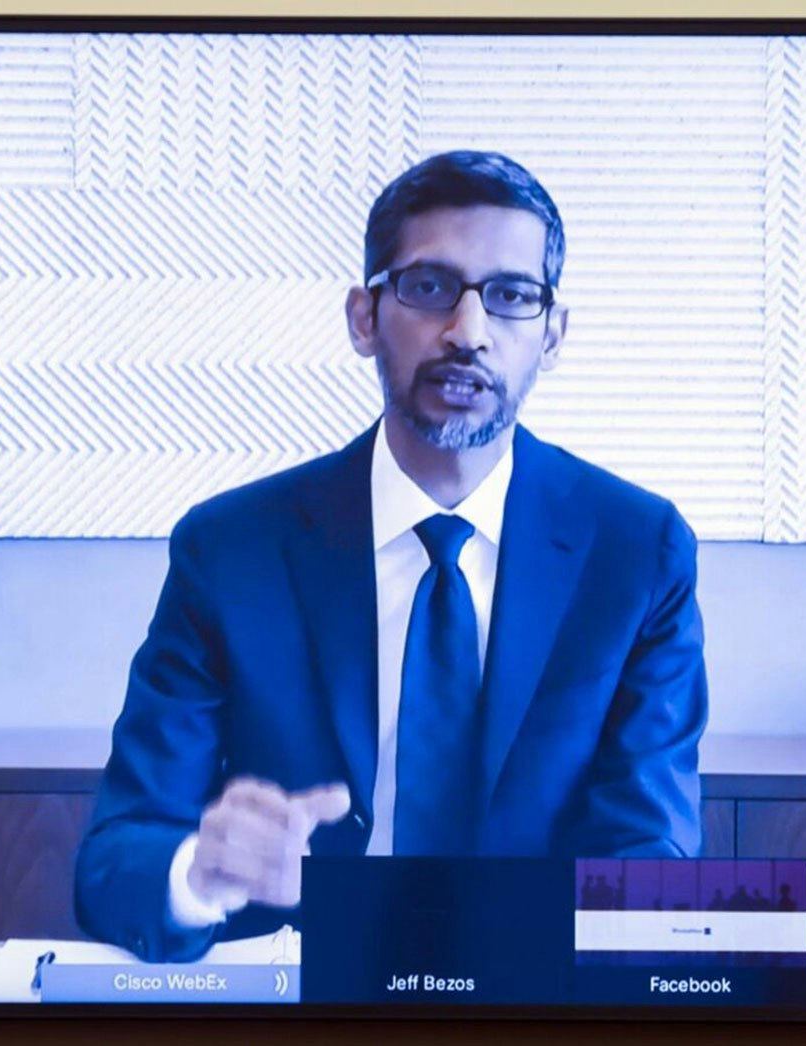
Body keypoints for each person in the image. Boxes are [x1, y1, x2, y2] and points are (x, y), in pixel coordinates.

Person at [74, 150, 707, 962]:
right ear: (364, 318)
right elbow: (117, 857)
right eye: (429, 286)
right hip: (302, 993)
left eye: (511, 296)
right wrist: (200, 871)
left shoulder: (636, 553)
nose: (468, 332)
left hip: (531, 994)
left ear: (552, 336)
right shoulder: (231, 551)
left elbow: (648, 849)